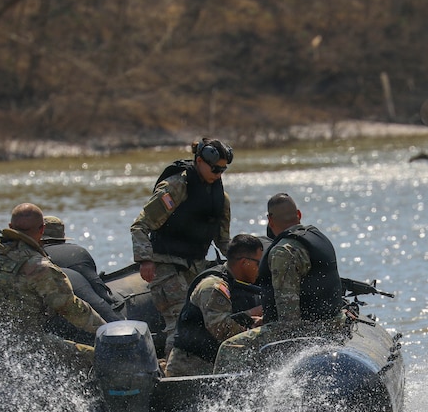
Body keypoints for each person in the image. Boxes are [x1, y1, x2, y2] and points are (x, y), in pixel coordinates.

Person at [0, 203, 107, 366]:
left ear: (10, 227)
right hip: (26, 346)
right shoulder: (39, 267)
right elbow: (71, 308)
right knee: (95, 357)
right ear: (42, 230)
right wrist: (104, 330)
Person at [214, 193, 344, 373]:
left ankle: (228, 400)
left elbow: (288, 320)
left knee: (230, 348)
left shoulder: (283, 252)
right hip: (334, 321)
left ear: (270, 220)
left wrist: (266, 325)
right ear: (298, 214)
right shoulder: (317, 236)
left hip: (308, 331)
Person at [130, 137, 233, 356]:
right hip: (166, 265)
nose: (218, 174)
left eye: (222, 170)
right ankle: (172, 374)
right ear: (198, 161)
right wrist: (145, 260)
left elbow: (223, 240)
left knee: (205, 320)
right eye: (214, 168)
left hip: (196, 267)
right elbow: (141, 225)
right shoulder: (175, 187)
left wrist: (241, 261)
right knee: (178, 324)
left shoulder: (221, 198)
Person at [165, 233, 265, 377]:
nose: (260, 268)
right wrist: (253, 317)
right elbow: (220, 330)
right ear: (244, 262)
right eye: (258, 263)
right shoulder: (213, 287)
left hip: (214, 367)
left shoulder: (239, 285)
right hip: (191, 370)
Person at [40, 215, 124, 324]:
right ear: (62, 236)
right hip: (105, 313)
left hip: (69, 319)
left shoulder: (39, 258)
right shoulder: (79, 251)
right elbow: (98, 288)